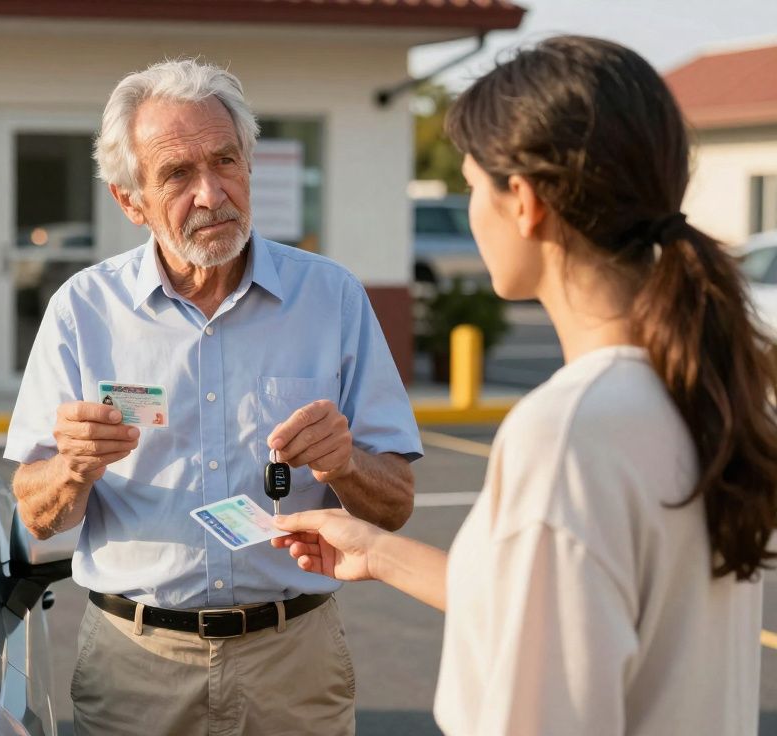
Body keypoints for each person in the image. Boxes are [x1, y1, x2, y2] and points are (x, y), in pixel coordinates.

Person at [273, 35, 777, 736]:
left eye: (473, 185)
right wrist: (377, 550)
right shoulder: (700, 390)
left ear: (525, 202)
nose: (471, 208)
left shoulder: (569, 432)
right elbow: (555, 610)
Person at [4, 59, 422, 735]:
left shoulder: (332, 297)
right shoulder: (83, 310)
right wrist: (74, 467)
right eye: (176, 174)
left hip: (294, 661)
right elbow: (36, 509)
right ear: (129, 199)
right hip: (135, 666)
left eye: (225, 160)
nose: (210, 193)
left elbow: (395, 503)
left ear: (249, 165)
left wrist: (344, 463)